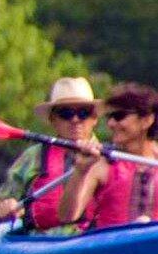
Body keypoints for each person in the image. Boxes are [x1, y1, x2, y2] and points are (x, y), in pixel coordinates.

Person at [0, 77, 100, 233]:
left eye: (83, 113)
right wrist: (2, 209)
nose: (75, 120)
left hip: (94, 239)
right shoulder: (33, 156)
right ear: (53, 119)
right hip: (41, 241)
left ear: (94, 118)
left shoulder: (111, 158)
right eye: (65, 113)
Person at [59, 82, 158, 227]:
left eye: (119, 116)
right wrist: (80, 171)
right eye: (109, 117)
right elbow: (67, 216)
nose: (111, 123)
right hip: (112, 247)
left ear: (146, 120)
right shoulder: (102, 163)